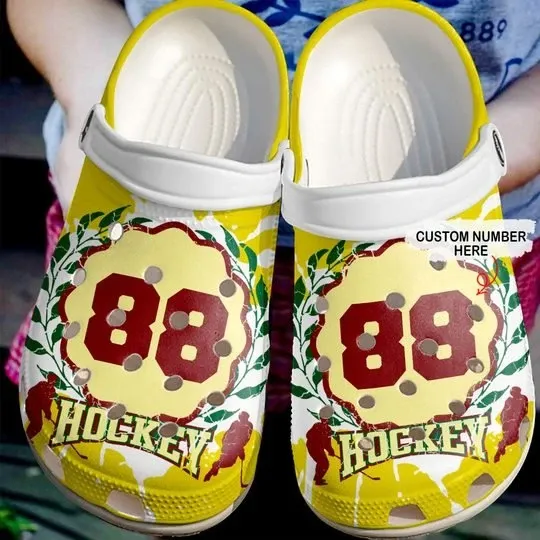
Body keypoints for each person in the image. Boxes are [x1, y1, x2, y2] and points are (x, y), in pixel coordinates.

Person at [5, 0, 540, 414]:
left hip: (457, 228)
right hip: (148, 212)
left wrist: (486, 163)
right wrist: (96, 95)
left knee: (392, 463)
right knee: (153, 444)